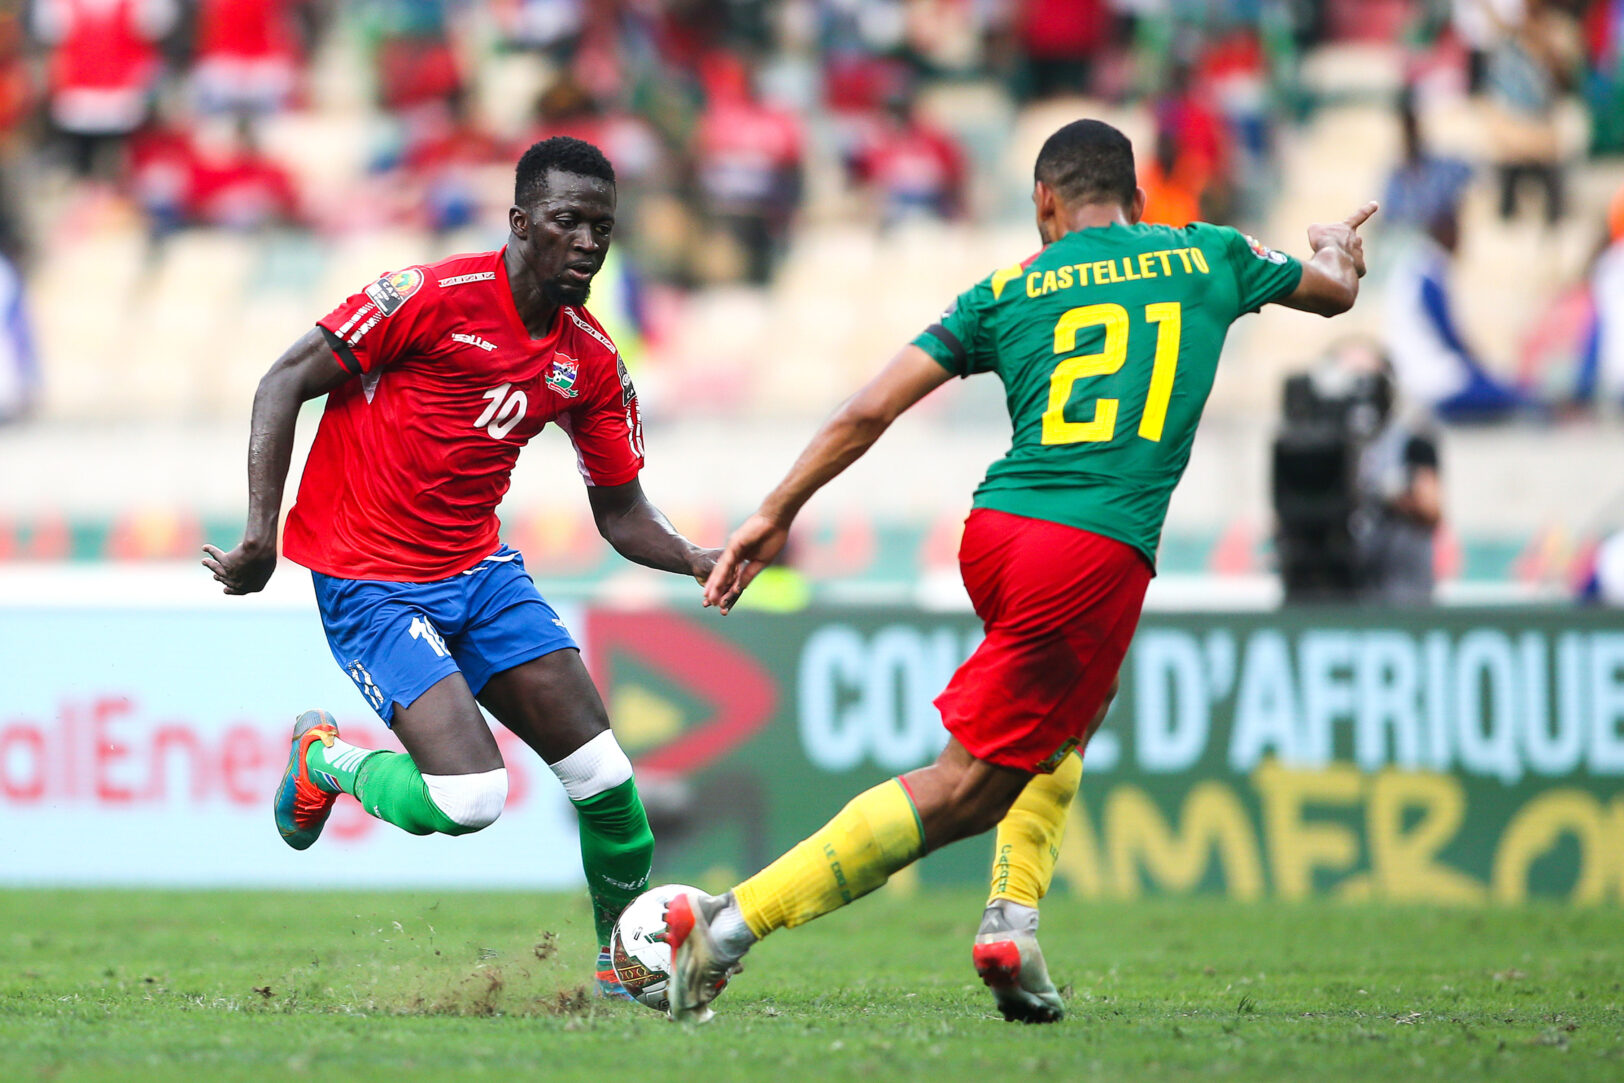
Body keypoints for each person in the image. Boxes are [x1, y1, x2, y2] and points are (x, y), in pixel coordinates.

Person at [669, 118, 1375, 1025]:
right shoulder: (1211, 254)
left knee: (1083, 701)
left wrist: (776, 510)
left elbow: (866, 410)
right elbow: (1335, 292)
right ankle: (729, 926)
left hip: (999, 531)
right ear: (1140, 197)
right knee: (966, 786)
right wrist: (1336, 244)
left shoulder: (1007, 288)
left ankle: (1015, 921)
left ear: (1045, 202)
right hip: (1091, 548)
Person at [201, 136, 726, 997]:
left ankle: (621, 965)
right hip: (368, 574)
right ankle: (325, 762)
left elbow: (623, 513)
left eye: (603, 226)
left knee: (607, 781)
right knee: (472, 798)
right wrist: (261, 533)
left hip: (478, 573)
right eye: (568, 222)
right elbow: (283, 379)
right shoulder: (429, 297)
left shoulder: (590, 359)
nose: (590, 242)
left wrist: (699, 558)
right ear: (520, 223)